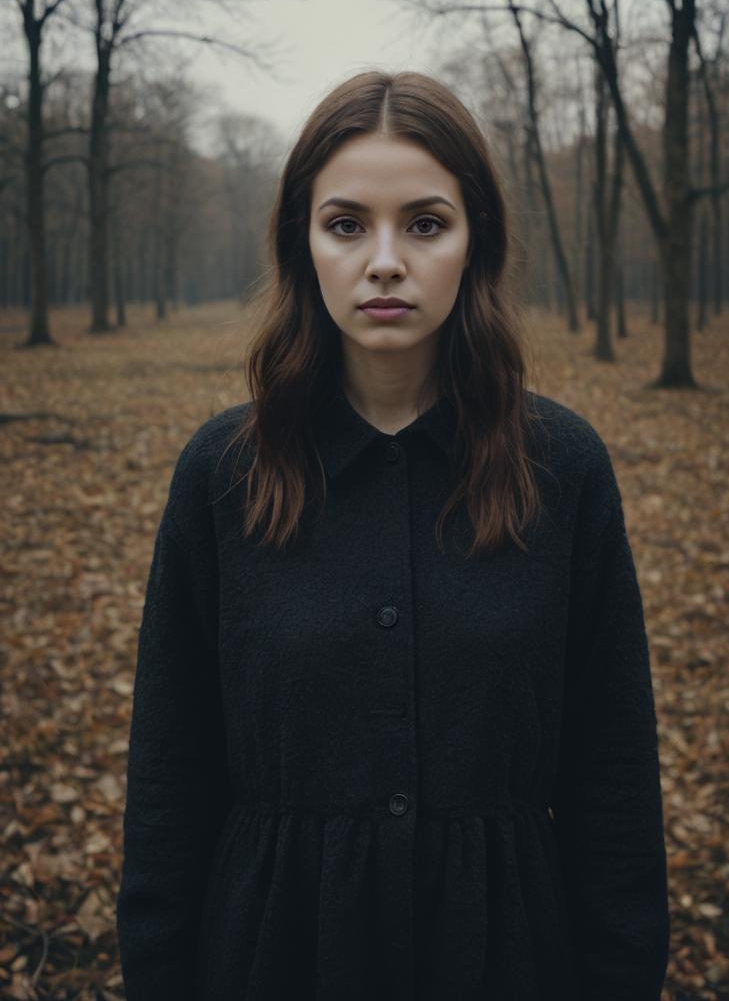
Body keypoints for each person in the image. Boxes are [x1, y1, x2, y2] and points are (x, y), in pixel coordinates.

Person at [116, 70, 670, 1000]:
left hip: (509, 955)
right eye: (345, 225)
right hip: (270, 955)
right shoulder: (223, 473)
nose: (383, 260)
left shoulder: (562, 468)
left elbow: (612, 783)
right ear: (304, 245)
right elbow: (170, 783)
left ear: (474, 241)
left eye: (423, 223)